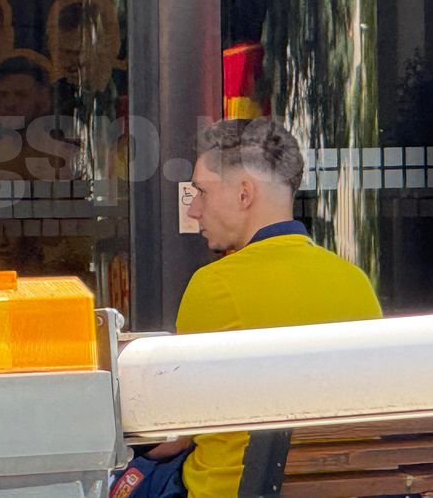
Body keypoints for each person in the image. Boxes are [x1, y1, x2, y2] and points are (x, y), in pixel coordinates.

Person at [131, 118, 383, 498]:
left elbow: (174, 436)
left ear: (244, 194)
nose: (194, 209)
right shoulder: (355, 282)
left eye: (201, 192)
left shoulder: (214, 285)